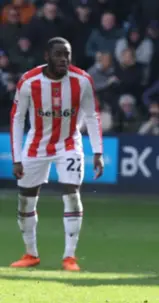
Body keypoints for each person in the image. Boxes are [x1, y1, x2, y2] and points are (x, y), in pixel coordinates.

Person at [9, 37, 104, 271]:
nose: (64, 59)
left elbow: (92, 115)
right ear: (46, 56)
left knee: (72, 193)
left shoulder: (82, 80)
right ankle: (31, 253)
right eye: (59, 54)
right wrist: (17, 157)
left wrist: (98, 151)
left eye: (67, 54)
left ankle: (69, 257)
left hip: (69, 143)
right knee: (26, 199)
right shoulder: (29, 82)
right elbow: (17, 117)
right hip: (36, 145)